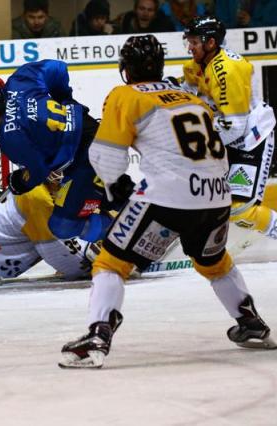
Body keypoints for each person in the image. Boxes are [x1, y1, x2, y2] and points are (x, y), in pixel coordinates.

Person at [59, 35, 275, 369]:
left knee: (110, 262)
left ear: (126, 69)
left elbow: (107, 155)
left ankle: (98, 336)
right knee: (213, 262)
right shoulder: (193, 98)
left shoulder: (126, 95)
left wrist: (115, 186)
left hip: (168, 196)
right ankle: (252, 324)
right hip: (218, 195)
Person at [0, 60, 124, 247]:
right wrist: (65, 100)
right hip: (95, 131)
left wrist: (20, 181)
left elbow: (38, 172)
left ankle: (121, 240)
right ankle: (139, 215)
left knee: (63, 225)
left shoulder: (10, 138)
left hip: (86, 159)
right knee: (98, 195)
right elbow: (58, 68)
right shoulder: (19, 81)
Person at [181, 16, 277, 240]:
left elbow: (235, 126)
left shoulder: (227, 71)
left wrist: (199, 147)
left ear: (211, 43)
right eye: (189, 41)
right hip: (225, 136)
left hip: (250, 140)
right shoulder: (194, 66)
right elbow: (186, 97)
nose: (190, 47)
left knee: (240, 208)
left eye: (195, 42)